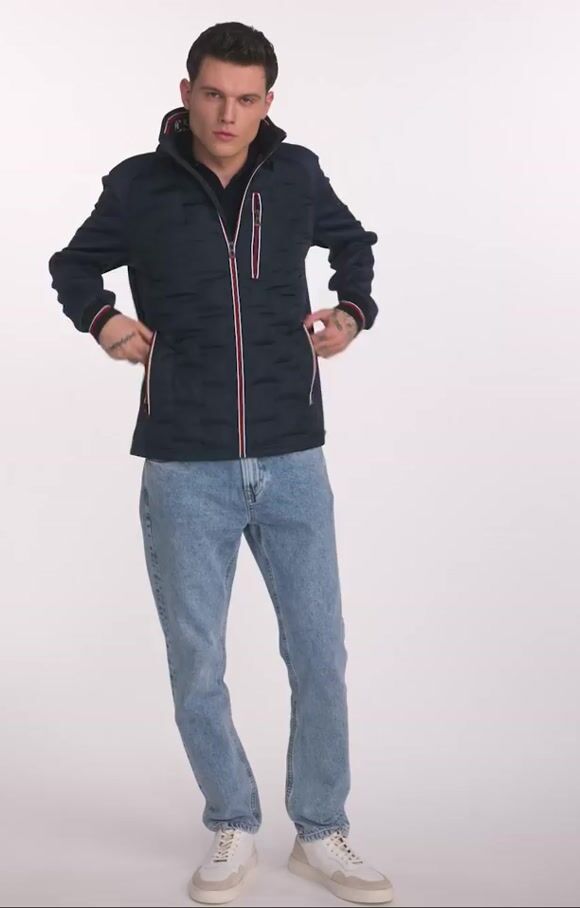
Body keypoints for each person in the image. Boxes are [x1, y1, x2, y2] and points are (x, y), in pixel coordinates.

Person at [48, 20, 393, 906]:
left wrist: (351, 311)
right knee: (197, 659)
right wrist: (103, 320)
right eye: (212, 94)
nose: (227, 114)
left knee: (319, 652)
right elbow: (73, 265)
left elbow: (354, 244)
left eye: (245, 99)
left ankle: (320, 830)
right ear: (186, 93)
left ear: (267, 102)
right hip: (183, 463)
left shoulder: (297, 173)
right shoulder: (138, 184)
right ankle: (232, 819)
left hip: (292, 453)